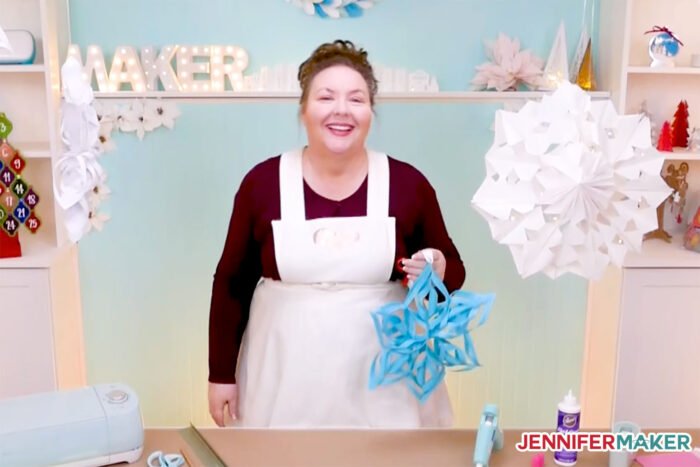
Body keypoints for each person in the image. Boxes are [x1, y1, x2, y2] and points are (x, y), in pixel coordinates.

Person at [208, 39, 466, 428]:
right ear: (304, 109)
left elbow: (454, 270)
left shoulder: (408, 185)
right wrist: (221, 374)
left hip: (388, 387)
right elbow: (231, 284)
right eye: (326, 97)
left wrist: (439, 268)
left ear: (371, 112)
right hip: (282, 383)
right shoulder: (261, 184)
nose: (342, 110)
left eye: (357, 99)